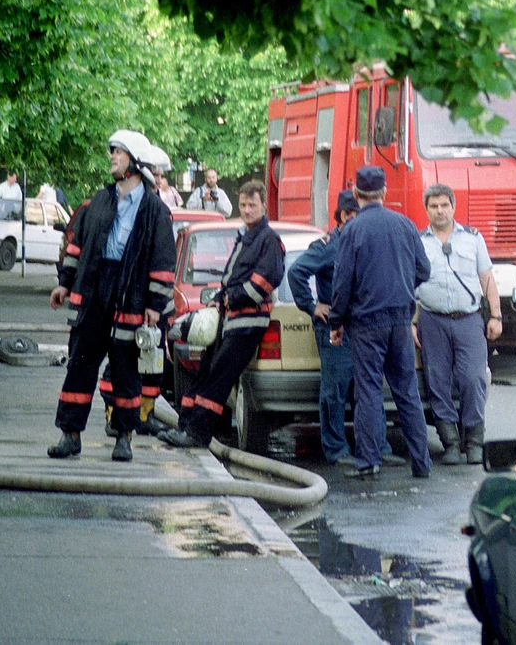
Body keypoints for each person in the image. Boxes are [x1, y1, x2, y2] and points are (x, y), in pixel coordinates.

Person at [47, 129, 176, 462]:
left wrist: (155, 305)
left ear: (134, 163)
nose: (112, 157)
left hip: (130, 294)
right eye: (112, 151)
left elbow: (163, 261)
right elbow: (77, 246)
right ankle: (69, 435)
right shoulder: (100, 200)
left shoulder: (154, 210)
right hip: (94, 290)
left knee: (126, 371)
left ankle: (123, 437)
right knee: (79, 365)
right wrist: (65, 283)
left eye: (118, 152)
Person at [159, 179, 284, 448]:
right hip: (230, 320)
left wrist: (232, 297)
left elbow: (265, 282)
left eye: (252, 205)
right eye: (243, 205)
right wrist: (219, 297)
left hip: (247, 323)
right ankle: (185, 425)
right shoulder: (245, 236)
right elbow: (232, 278)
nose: (247, 210)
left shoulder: (268, 240)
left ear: (264, 205)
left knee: (219, 378)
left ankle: (197, 434)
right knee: (206, 371)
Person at [287, 190, 406, 468]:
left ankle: (378, 447)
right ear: (343, 216)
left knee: (369, 388)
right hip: (336, 327)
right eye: (356, 216)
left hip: (365, 325)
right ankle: (336, 449)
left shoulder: (365, 240)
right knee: (336, 390)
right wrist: (312, 306)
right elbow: (296, 272)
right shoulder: (328, 246)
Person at [329, 166, 433, 479]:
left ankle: (368, 461)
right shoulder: (405, 224)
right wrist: (402, 287)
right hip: (400, 319)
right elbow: (424, 270)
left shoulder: (352, 230)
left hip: (365, 323)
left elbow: (342, 281)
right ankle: (422, 463)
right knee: (407, 392)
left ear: (356, 194)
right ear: (384, 192)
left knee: (369, 392)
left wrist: (336, 321)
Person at [414, 184, 502, 465]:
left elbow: (487, 278)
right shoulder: (418, 242)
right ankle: (450, 442)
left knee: (473, 378)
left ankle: (474, 441)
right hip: (432, 320)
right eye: (434, 206)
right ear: (426, 209)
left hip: (468, 320)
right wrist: (411, 323)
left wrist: (496, 316)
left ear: (453, 207)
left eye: (444, 205)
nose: (439, 211)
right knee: (437, 381)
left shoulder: (472, 238)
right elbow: (408, 285)